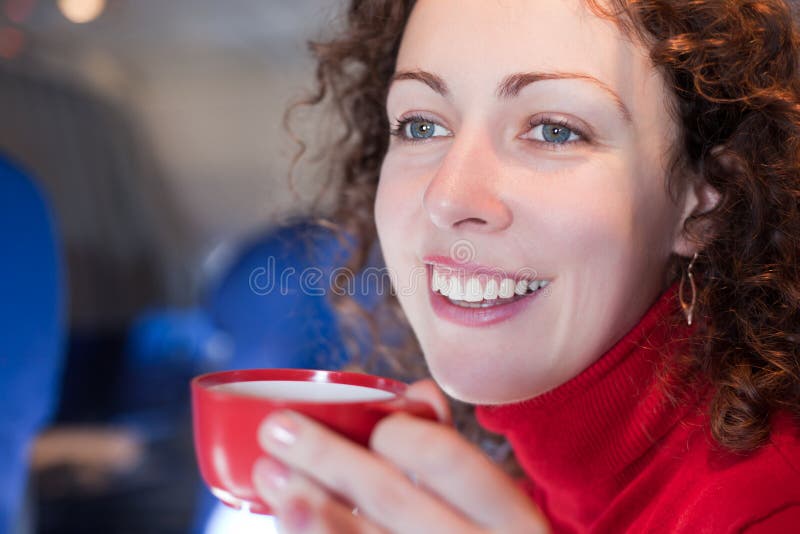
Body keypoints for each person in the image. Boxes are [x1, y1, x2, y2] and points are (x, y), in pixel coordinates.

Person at [250, 1, 800, 532]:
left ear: (708, 201)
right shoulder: (515, 492)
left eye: (554, 130)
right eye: (420, 126)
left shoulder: (771, 511)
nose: (448, 197)